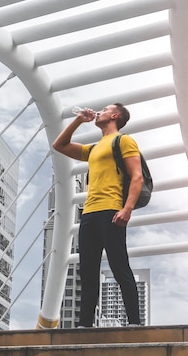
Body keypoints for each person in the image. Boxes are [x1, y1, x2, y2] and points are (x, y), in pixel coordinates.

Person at [53, 102, 143, 327]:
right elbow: (60, 145)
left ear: (114, 116)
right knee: (88, 272)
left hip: (111, 210)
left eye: (104, 109)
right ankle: (84, 325)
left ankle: (134, 323)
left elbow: (137, 176)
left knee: (119, 266)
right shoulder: (93, 149)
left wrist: (127, 208)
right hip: (89, 213)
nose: (99, 111)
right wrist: (78, 121)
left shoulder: (123, 141)